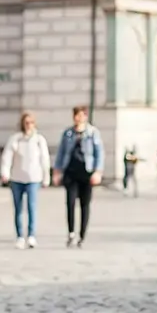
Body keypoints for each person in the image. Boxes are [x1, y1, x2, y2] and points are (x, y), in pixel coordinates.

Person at [0, 112, 51, 250]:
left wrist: (46, 177)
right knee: (18, 208)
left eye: (31, 123)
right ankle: (20, 236)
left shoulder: (39, 140)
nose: (28, 125)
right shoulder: (16, 139)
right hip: (17, 177)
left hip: (34, 178)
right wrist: (5, 172)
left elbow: (44, 160)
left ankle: (31, 235)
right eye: (26, 123)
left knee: (31, 207)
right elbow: (7, 156)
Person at [55, 106, 103, 248]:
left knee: (85, 204)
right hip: (70, 172)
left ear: (85, 117)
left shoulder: (93, 133)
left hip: (86, 172)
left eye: (81, 115)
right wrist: (57, 171)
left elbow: (99, 153)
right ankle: (71, 232)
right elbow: (61, 152)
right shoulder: (68, 133)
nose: (78, 118)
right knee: (70, 203)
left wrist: (98, 172)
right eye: (76, 115)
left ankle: (82, 235)